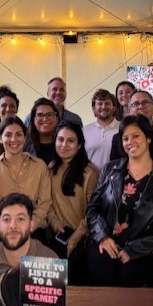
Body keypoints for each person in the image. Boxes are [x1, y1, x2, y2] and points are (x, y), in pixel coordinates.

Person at [87, 115, 153, 287]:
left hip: (143, 248)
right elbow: (93, 209)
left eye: (136, 136)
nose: (130, 142)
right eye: (125, 138)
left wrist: (136, 249)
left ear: (148, 138)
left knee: (130, 283)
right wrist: (102, 237)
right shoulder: (109, 169)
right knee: (101, 279)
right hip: (107, 242)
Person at [0, 115, 52, 243]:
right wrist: (2, 225)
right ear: (0, 138)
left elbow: (44, 203)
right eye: (8, 135)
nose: (14, 139)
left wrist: (31, 223)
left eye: (18, 134)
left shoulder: (39, 166)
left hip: (33, 230)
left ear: (25, 138)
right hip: (0, 231)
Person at [0, 193, 57, 285]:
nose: (13, 225)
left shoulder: (51, 262)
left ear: (31, 224)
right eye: (6, 219)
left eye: (20, 219)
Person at [48, 121, 99, 284]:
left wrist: (77, 236)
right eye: (60, 139)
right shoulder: (51, 168)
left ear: (79, 145)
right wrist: (55, 223)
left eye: (70, 140)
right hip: (57, 232)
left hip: (83, 234)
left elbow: (94, 210)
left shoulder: (89, 172)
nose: (64, 145)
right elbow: (46, 202)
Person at [110, 90, 153, 161]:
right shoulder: (118, 138)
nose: (140, 107)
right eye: (136, 104)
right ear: (130, 110)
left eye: (145, 103)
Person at [83, 89, 118, 170]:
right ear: (94, 109)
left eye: (107, 103)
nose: (103, 106)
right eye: (100, 103)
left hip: (116, 179)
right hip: (90, 179)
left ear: (114, 108)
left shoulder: (123, 129)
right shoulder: (84, 131)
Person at [24, 97, 59, 165]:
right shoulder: (24, 146)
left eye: (50, 115)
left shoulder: (65, 144)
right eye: (40, 115)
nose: (45, 119)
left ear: (57, 118)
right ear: (33, 119)